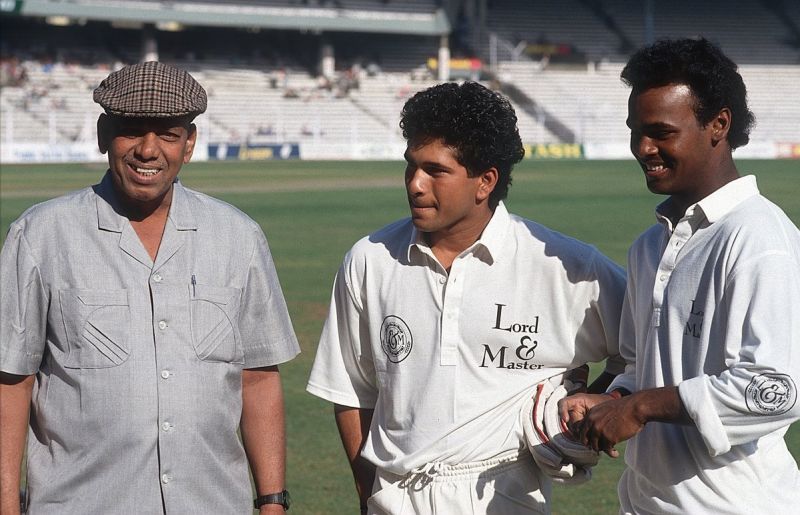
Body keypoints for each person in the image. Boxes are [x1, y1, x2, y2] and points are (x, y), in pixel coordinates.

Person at [306, 81, 626, 514]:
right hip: (394, 498)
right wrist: (368, 497)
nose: (415, 184)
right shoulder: (369, 260)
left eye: (435, 171)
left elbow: (650, 346)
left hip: (504, 497)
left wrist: (603, 401)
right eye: (411, 166)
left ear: (485, 182)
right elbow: (351, 391)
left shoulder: (565, 265)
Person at [0, 61, 299, 514]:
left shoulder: (238, 237)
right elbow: (11, 382)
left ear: (190, 144)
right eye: (131, 131)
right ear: (103, 134)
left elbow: (257, 378)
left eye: (168, 134)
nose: (147, 150)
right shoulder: (42, 235)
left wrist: (272, 501)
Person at [560, 38, 800, 513]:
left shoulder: (758, 238)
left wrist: (641, 407)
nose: (643, 148)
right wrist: (608, 399)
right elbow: (638, 367)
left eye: (661, 132)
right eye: (636, 131)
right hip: (646, 502)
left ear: (719, 125)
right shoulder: (649, 246)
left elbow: (776, 391)